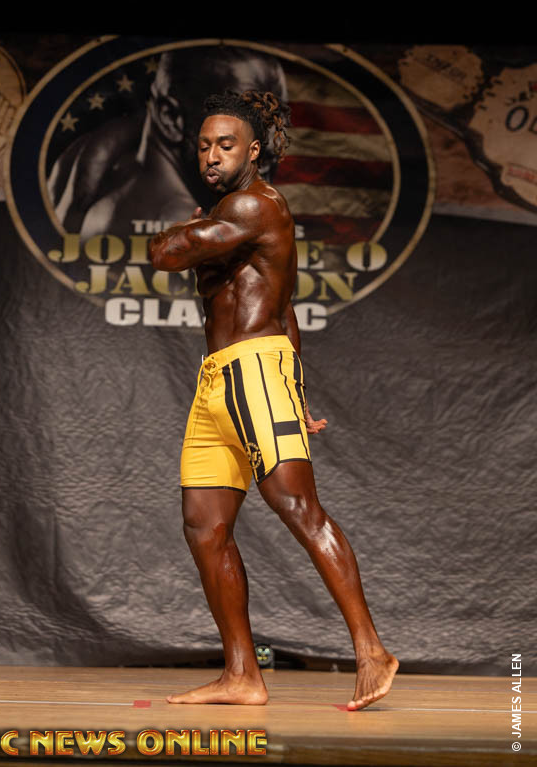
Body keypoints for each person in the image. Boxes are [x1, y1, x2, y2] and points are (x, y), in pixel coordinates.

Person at [148, 89, 399, 711]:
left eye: (225, 145)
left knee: (297, 506)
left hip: (254, 369)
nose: (211, 155)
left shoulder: (254, 205)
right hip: (220, 379)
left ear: (253, 150)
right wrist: (299, 391)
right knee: (204, 527)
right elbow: (284, 309)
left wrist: (181, 230)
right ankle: (242, 674)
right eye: (204, 146)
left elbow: (165, 253)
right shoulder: (232, 213)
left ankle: (371, 651)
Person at [46, 45, 288, 239]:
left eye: (271, 118)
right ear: (170, 118)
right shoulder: (177, 217)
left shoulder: (87, 160)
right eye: (243, 118)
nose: (266, 145)